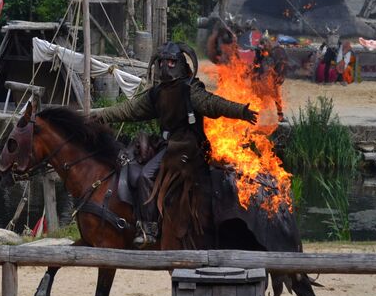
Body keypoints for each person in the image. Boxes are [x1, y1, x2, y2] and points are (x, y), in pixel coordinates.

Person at [92, 41, 257, 248]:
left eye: (171, 62)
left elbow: (213, 103)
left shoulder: (191, 90)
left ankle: (148, 228)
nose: (166, 66)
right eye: (162, 62)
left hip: (188, 148)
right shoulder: (156, 93)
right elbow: (128, 110)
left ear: (179, 63)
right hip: (167, 145)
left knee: (145, 176)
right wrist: (99, 115)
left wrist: (241, 111)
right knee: (134, 165)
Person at [252, 35, 288, 122]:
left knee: (278, 99)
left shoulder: (274, 54)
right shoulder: (260, 55)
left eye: (265, 43)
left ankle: (280, 116)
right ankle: (253, 116)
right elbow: (256, 67)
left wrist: (278, 77)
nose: (264, 45)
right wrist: (258, 54)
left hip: (272, 80)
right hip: (261, 81)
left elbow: (279, 66)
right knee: (258, 99)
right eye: (262, 43)